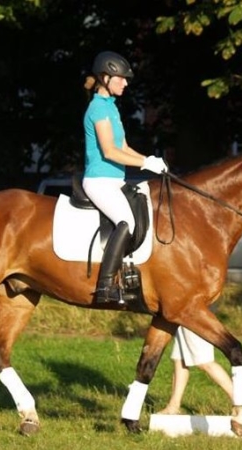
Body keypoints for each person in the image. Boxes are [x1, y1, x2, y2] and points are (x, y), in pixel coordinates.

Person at [83, 50, 167, 303]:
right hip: (98, 180)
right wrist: (144, 163)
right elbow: (109, 151)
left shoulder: (111, 107)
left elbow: (124, 147)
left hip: (114, 180)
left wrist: (150, 160)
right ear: (105, 78)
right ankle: (105, 287)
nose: (126, 83)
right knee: (126, 221)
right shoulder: (97, 108)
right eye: (121, 78)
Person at [157, 326, 234, 415]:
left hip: (194, 317)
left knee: (205, 362)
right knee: (180, 360)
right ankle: (173, 406)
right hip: (182, 318)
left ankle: (239, 400)